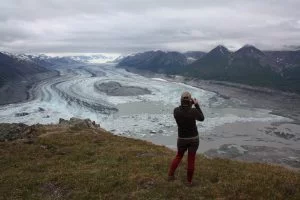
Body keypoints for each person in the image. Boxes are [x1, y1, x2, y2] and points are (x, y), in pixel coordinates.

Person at [168, 91, 205, 185]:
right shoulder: (193, 111)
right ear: (190, 101)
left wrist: (188, 104)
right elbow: (201, 118)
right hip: (194, 139)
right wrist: (196, 105)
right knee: (191, 159)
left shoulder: (176, 111)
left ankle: (170, 175)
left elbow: (183, 110)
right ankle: (189, 182)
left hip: (182, 139)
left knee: (179, 156)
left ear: (181, 101)